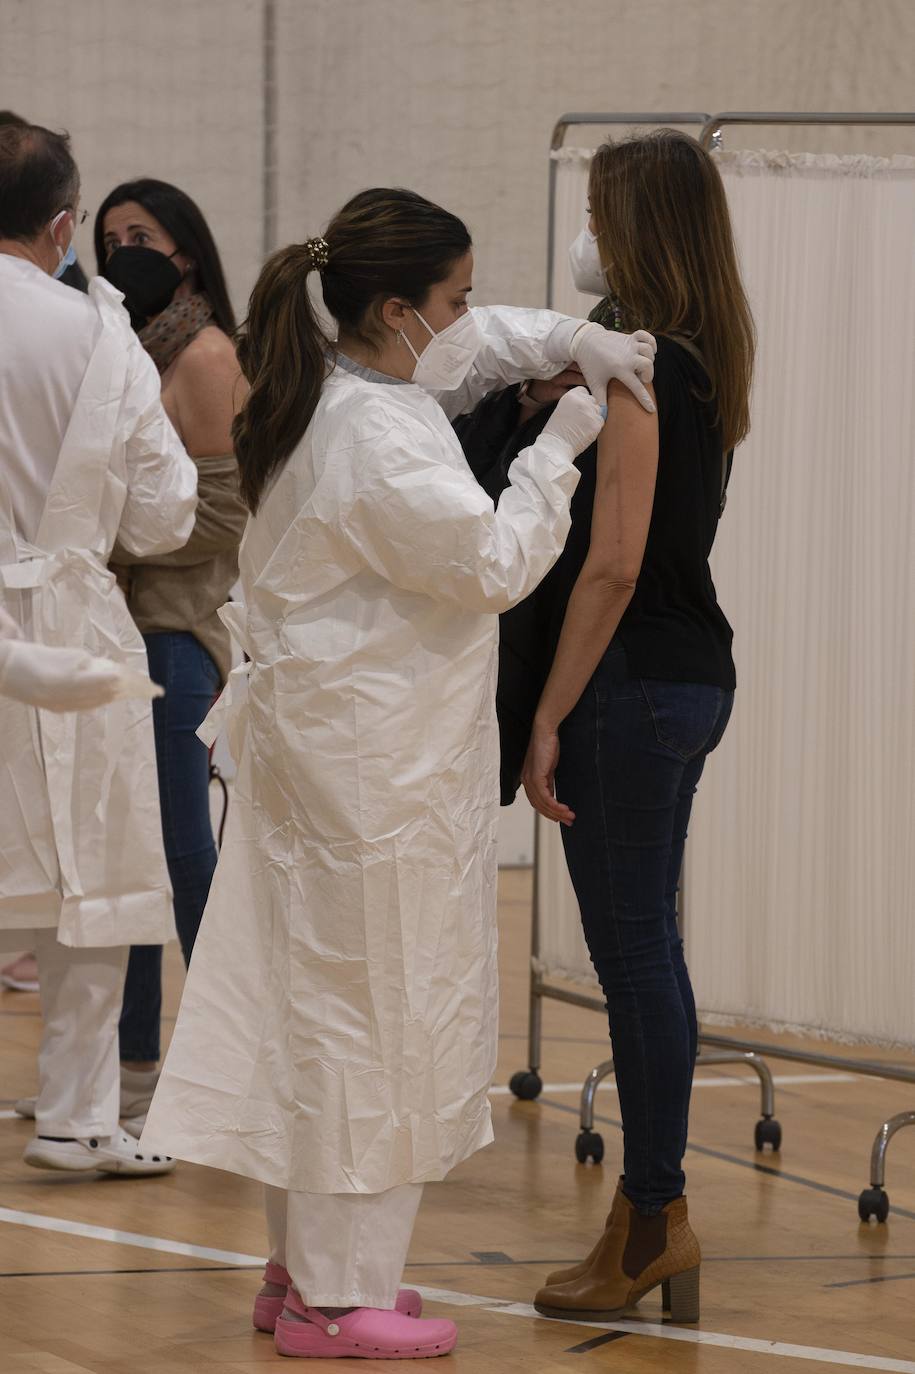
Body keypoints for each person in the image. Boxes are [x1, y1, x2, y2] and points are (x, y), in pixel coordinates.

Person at [140, 186, 657, 1359]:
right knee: (367, 1019)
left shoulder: (347, 384)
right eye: (454, 298)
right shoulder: (373, 435)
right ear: (393, 308)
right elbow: (490, 564)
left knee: (324, 1011)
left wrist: (571, 339)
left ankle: (307, 1272)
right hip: (365, 772)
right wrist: (559, 450)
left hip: (342, 761)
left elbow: (480, 349)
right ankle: (334, 1299)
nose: (469, 320)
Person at [515, 131, 755, 1323]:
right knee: (648, 950)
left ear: (640, 229)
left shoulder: (647, 365)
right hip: (685, 677)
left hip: (631, 685)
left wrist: (548, 713)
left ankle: (653, 1218)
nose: (588, 234)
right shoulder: (707, 354)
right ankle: (647, 1217)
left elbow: (610, 564)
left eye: (603, 213)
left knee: (636, 959)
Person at [0, 120, 198, 1175]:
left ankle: (76, 1116)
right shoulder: (101, 334)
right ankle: (77, 1117)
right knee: (96, 878)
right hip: (76, 617)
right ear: (64, 223)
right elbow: (166, 516)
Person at [93, 179, 249, 1135]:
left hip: (174, 639)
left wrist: (104, 543)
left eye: (141, 238)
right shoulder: (122, 349)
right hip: (122, 636)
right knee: (134, 864)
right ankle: (136, 1073)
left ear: (185, 252)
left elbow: (223, 518)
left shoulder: (200, 354)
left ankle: (225, 1075)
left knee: (186, 864)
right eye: (110, 240)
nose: (123, 255)